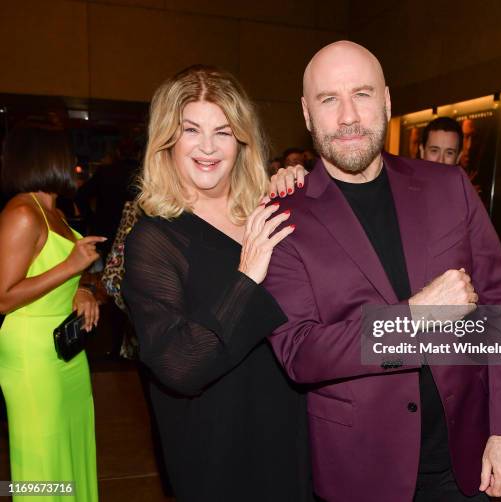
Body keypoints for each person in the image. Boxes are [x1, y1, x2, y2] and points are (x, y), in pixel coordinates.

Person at [263, 41, 501, 502]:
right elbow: (301, 353)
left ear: (386, 101)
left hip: (466, 460)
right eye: (329, 99)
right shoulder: (282, 217)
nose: (348, 116)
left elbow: (500, 306)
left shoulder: (449, 187)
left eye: (362, 94)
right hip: (363, 471)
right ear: (307, 114)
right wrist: (414, 317)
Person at [121, 65, 312, 502]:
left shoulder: (269, 212)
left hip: (290, 432)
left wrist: (297, 195)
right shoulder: (155, 238)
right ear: (168, 139)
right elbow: (179, 365)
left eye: (223, 132)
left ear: (241, 141)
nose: (208, 147)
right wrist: (248, 276)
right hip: (217, 450)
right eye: (192, 129)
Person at [0, 124, 105, 501]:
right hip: (32, 357)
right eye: (66, 154)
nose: (73, 162)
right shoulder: (22, 213)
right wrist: (70, 268)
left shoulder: (54, 212)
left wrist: (81, 289)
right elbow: (2, 297)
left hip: (65, 350)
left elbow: (53, 271)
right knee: (43, 462)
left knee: (71, 449)